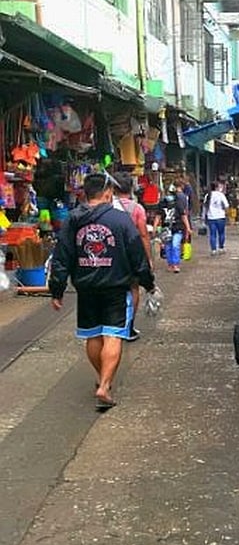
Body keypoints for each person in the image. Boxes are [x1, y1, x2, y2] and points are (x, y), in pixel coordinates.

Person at [47, 173, 155, 410]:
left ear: (85, 193)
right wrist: (148, 282)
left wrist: (56, 290)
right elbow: (137, 253)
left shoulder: (72, 220)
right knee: (114, 335)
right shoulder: (121, 219)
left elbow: (61, 257)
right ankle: (105, 385)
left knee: (93, 335)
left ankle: (102, 377)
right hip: (116, 286)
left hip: (86, 287)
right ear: (107, 193)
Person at [109, 176, 150, 341]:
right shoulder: (137, 208)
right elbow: (144, 234)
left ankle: (112, 325)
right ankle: (129, 327)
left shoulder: (108, 207)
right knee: (133, 288)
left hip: (111, 253)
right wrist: (147, 259)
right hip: (132, 255)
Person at [154, 186, 185, 273]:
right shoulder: (162, 204)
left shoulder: (178, 203)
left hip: (177, 227)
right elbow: (158, 216)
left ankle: (176, 264)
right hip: (166, 229)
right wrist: (155, 227)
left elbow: (183, 215)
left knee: (175, 245)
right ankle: (170, 264)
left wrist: (188, 227)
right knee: (168, 247)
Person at [204, 181, 230, 252]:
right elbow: (226, 206)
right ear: (217, 187)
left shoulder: (207, 195)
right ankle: (221, 247)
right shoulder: (221, 195)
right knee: (221, 233)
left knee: (212, 234)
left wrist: (204, 217)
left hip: (211, 217)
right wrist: (227, 215)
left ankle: (213, 249)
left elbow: (205, 207)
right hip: (220, 217)